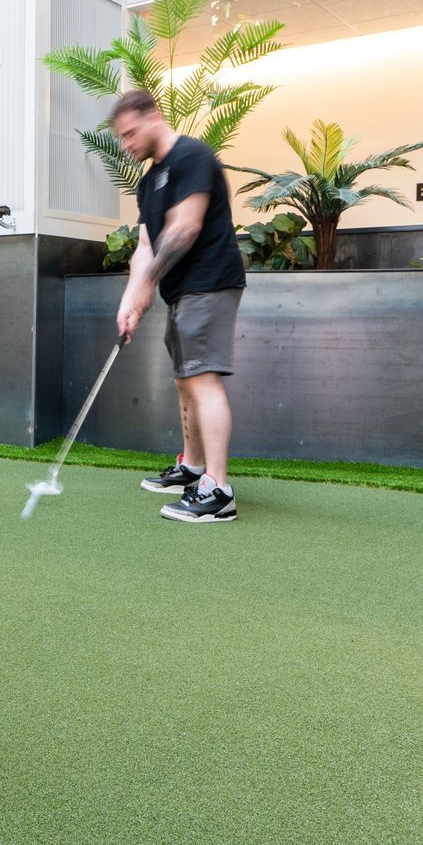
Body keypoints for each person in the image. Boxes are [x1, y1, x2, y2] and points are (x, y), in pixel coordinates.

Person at [111, 89, 246, 522]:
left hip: (210, 282)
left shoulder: (193, 157)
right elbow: (147, 245)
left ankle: (218, 490)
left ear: (154, 117)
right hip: (181, 291)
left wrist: (147, 285)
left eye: (131, 134)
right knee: (185, 380)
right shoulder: (149, 182)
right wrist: (130, 300)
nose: (127, 145)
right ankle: (192, 466)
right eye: (122, 138)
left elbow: (184, 228)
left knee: (203, 378)